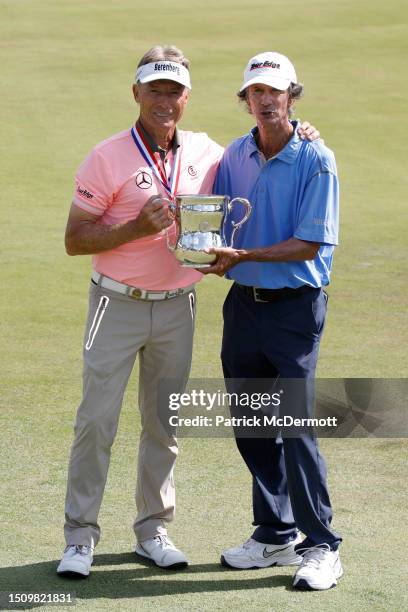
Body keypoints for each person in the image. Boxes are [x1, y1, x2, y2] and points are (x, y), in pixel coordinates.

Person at [57, 44, 318, 579]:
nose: (165, 100)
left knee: (165, 424)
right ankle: (80, 539)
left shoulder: (208, 152)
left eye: (174, 91)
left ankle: (153, 530)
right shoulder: (106, 156)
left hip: (178, 306)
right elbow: (74, 239)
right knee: (96, 423)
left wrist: (304, 133)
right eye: (155, 89)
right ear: (136, 93)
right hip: (116, 302)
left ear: (186, 98)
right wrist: (134, 229)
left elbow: (261, 153)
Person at [203, 52, 342, 591]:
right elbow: (210, 213)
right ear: (246, 99)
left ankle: (322, 545)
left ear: (291, 97)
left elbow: (311, 243)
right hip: (242, 305)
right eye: (255, 92)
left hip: (294, 309)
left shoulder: (316, 157)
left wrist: (241, 256)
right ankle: (275, 531)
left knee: (297, 425)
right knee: (253, 422)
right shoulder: (235, 153)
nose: (264, 100)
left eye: (275, 92)